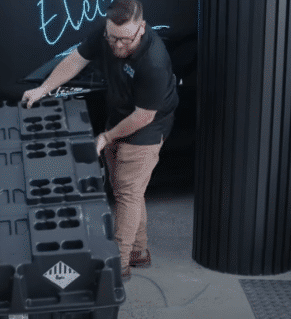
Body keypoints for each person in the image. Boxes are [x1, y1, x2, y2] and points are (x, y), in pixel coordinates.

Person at [22, 0, 179, 282]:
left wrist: (105, 137)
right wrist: (44, 89)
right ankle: (139, 252)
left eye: (125, 40)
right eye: (112, 38)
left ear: (141, 29)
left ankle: (117, 264)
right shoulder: (108, 33)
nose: (117, 46)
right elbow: (76, 59)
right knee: (125, 187)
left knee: (127, 192)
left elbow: (143, 116)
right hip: (119, 113)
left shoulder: (154, 61)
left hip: (147, 126)